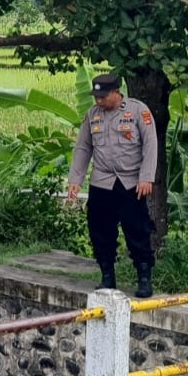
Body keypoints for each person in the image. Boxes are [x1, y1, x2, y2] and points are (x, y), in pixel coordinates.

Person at [67, 73, 159, 298]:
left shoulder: (138, 111)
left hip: (131, 182)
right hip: (102, 181)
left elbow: (150, 144)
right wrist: (75, 180)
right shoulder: (92, 116)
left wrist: (146, 177)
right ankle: (107, 275)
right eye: (96, 96)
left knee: (137, 231)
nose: (99, 101)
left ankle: (144, 277)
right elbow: (83, 148)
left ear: (117, 92)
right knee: (100, 230)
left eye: (103, 96)